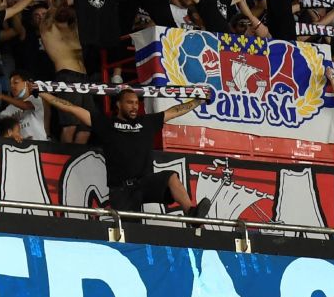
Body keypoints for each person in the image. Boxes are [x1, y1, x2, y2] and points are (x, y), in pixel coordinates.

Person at [40, 87, 213, 216]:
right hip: (121, 190)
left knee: (171, 177)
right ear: (118, 104)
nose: (134, 107)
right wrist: (42, 93)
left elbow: (174, 112)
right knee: (130, 233)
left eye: (136, 103)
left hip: (144, 183)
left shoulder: (147, 122)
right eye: (129, 102)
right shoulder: (106, 124)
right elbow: (71, 108)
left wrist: (198, 101)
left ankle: (191, 214)